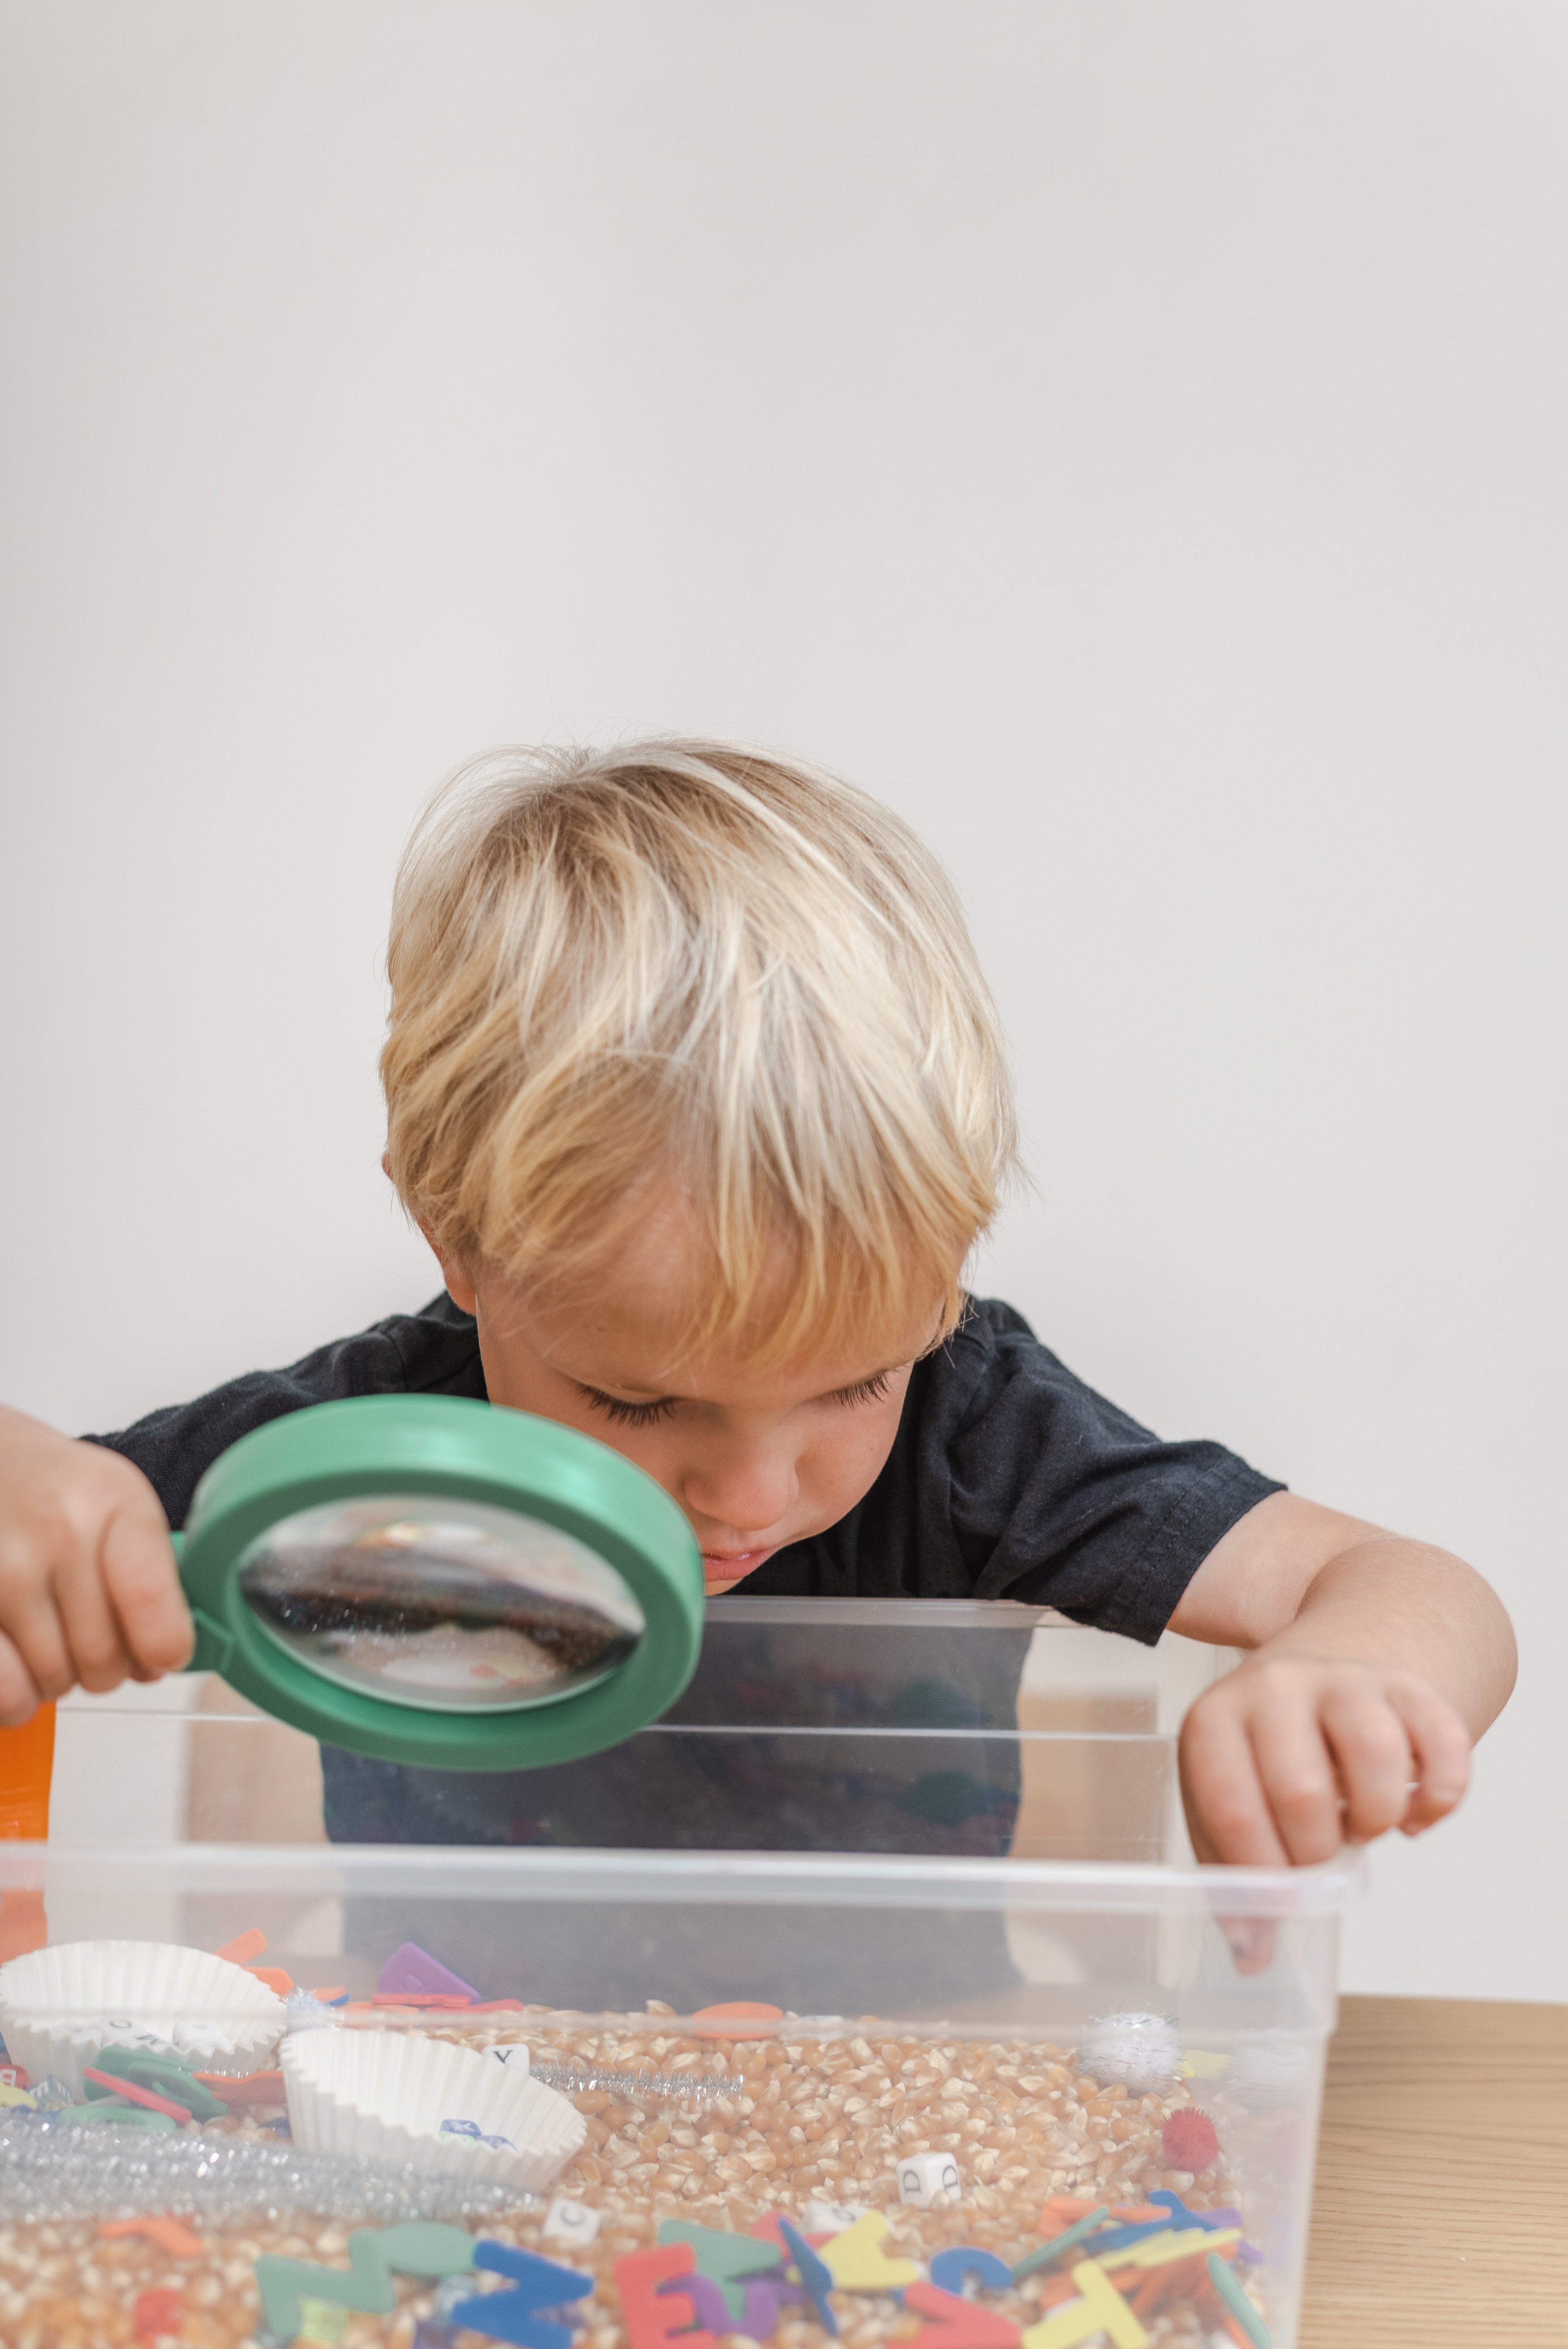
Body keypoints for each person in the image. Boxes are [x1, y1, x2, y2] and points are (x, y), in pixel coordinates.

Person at [0, 740, 1516, 1874]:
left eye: (853, 1381)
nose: (746, 1492)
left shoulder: (969, 1426)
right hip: (443, 2078)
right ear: (455, 1240)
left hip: (894, 2118)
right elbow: (48, 1546)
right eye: (642, 1404)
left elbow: (1417, 1585)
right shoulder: (358, 1449)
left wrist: (1351, 1675)